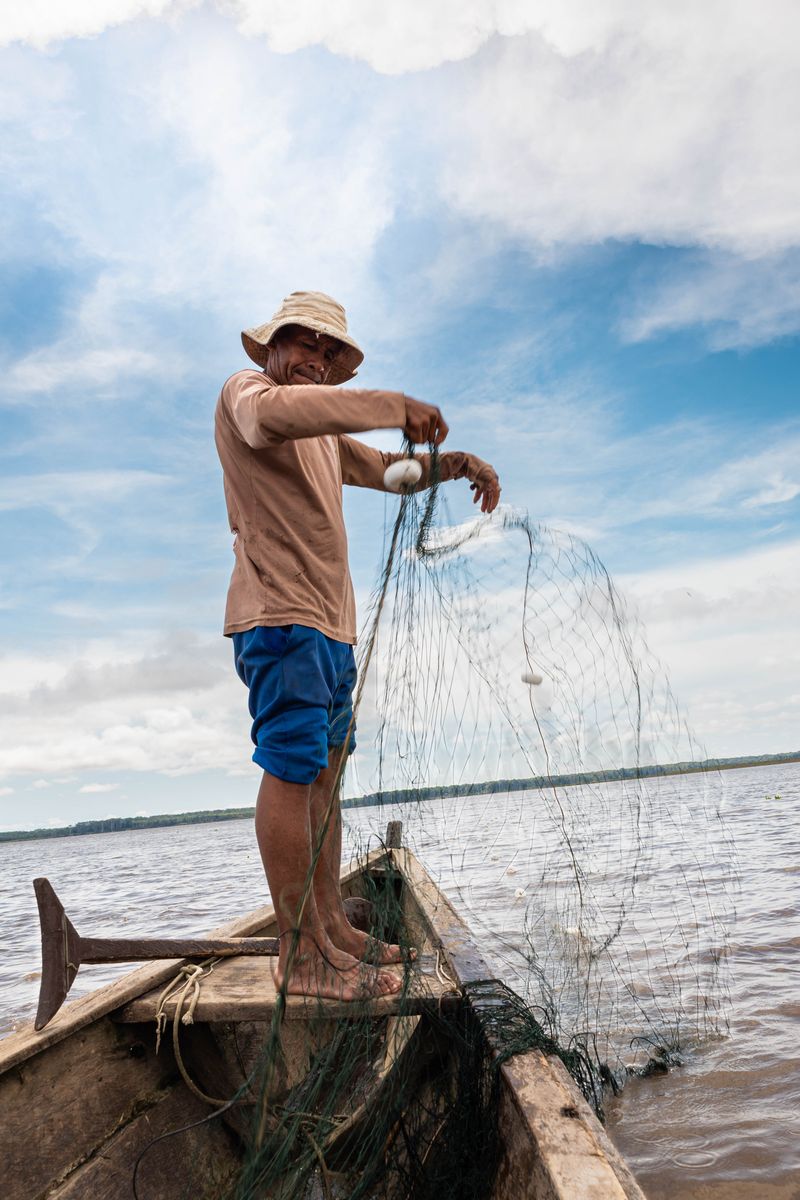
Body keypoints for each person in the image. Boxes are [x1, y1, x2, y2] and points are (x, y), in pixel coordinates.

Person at [215, 291, 501, 1000]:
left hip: (333, 628)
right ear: (272, 347)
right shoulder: (248, 393)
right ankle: (300, 953)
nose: (315, 358)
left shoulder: (326, 435)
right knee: (292, 769)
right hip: (282, 616)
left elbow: (389, 471)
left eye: (329, 351)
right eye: (302, 343)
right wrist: (391, 404)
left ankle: (332, 931)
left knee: (325, 778)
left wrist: (456, 463)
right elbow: (274, 417)